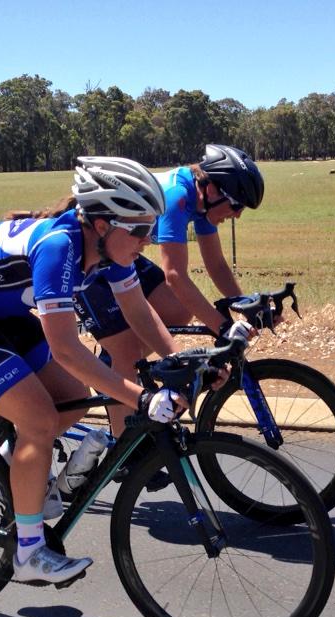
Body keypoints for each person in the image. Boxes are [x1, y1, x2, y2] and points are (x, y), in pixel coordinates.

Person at [0, 157, 185, 587]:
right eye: (139, 230)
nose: (147, 240)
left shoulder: (111, 249)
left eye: (151, 228)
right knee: (38, 419)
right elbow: (67, 349)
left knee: (72, 401)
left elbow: (139, 312)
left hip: (0, 314)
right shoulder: (59, 248)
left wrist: (178, 362)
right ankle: (28, 553)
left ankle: (2, 466)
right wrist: (142, 398)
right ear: (102, 224)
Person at [73, 144, 265, 436]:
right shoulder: (178, 197)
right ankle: (122, 433)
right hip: (92, 253)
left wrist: (243, 307)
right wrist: (224, 327)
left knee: (178, 309)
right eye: (237, 205)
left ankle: (119, 364)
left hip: (122, 251)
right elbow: (175, 275)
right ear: (212, 189)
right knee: (126, 353)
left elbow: (216, 265)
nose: (237, 215)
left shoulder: (203, 203)